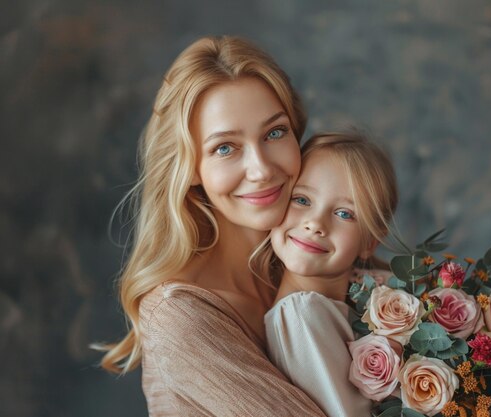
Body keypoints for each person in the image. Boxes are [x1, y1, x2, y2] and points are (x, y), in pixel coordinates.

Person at [96, 36, 325, 416]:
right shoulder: (179, 317)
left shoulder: (314, 255)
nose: (262, 169)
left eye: (274, 132)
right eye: (224, 148)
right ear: (188, 170)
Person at [257, 133, 400, 416]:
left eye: (345, 214)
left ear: (370, 242)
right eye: (302, 199)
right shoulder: (300, 314)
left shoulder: (369, 295)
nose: (315, 223)